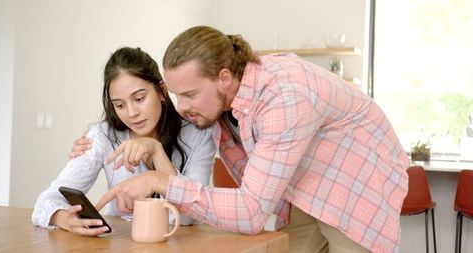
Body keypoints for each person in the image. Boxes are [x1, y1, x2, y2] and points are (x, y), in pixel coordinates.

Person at [72, 26, 409, 253]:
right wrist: (102, 140)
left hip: (355, 183)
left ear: (224, 77)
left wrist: (160, 180)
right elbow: (173, 122)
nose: (182, 106)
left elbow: (250, 213)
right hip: (305, 188)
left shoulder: (284, 95)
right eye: (176, 95)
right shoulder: (216, 101)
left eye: (190, 94)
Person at [32, 47, 216, 236]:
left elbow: (188, 216)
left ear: (161, 91)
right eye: (119, 105)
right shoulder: (102, 136)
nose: (131, 113)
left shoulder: (198, 134)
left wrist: (157, 152)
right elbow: (46, 201)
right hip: (119, 242)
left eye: (139, 98)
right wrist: (65, 219)